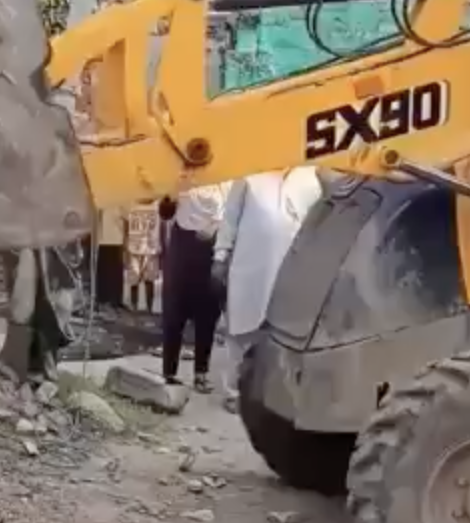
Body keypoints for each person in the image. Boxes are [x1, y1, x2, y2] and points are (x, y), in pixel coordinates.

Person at [211, 168, 324, 412]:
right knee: (241, 330)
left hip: (292, 270)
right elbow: (230, 217)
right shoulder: (250, 174)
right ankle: (234, 393)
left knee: (283, 336)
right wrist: (221, 256)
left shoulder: (311, 177)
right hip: (249, 266)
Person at [159, 183, 230, 393]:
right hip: (182, 247)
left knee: (207, 313)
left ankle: (201, 373)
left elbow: (232, 215)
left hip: (212, 249)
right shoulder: (183, 177)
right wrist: (168, 197)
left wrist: (217, 229)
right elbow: (165, 213)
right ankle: (169, 372)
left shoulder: (228, 182)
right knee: (174, 311)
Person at [124, 205, 160, 313]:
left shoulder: (155, 206)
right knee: (134, 278)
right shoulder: (131, 205)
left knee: (149, 279)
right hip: (135, 246)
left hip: (150, 247)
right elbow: (126, 224)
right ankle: (134, 306)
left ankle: (149, 308)